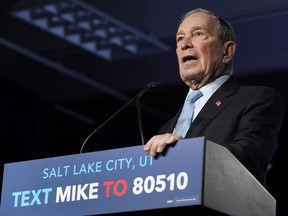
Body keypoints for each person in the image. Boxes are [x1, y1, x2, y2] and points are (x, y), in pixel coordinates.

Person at [143, 8, 285, 186]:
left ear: (227, 52)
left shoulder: (257, 99)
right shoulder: (166, 128)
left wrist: (187, 151)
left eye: (198, 34)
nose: (184, 44)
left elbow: (249, 159)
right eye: (179, 38)